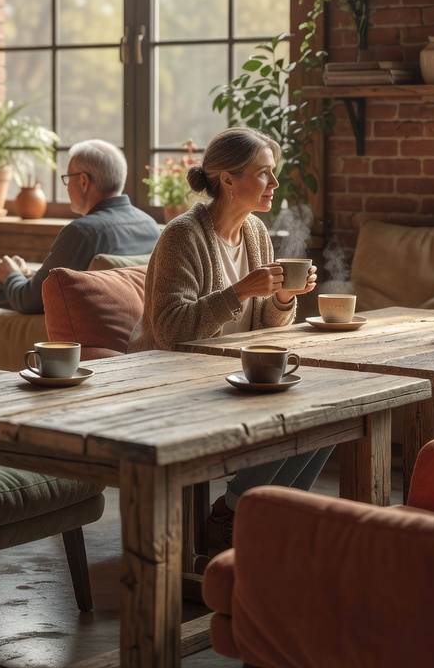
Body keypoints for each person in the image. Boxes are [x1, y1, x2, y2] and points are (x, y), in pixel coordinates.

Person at [127, 126, 324, 558]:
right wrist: (239, 292)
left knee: (325, 415)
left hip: (229, 372)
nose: (274, 184)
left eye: (274, 174)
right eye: (264, 174)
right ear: (228, 180)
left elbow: (266, 329)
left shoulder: (254, 232)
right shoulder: (183, 235)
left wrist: (284, 297)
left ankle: (265, 518)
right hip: (170, 377)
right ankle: (228, 518)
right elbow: (170, 331)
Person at [0, 139, 160, 313]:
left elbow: (28, 301)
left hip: (76, 339)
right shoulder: (151, 226)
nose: (67, 187)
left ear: (83, 182)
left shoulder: (82, 233)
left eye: (67, 178)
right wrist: (27, 276)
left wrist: (10, 275)